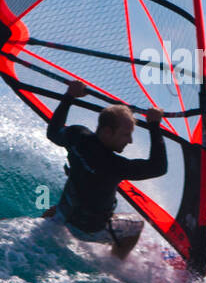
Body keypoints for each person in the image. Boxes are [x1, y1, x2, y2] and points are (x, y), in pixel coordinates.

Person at [45, 79, 166, 258]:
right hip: (90, 231)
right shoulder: (115, 165)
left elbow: (53, 132)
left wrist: (69, 96)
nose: (130, 141)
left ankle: (44, 225)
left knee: (61, 206)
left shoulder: (77, 136)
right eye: (126, 134)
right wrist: (155, 127)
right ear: (108, 132)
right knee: (136, 225)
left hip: (63, 217)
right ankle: (114, 264)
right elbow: (158, 168)